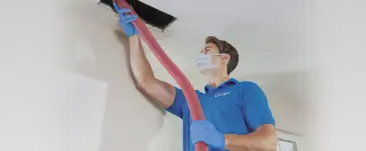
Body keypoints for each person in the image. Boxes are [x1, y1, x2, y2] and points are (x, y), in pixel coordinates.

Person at [112, 2, 278, 151]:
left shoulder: (245, 89)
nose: (201, 55)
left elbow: (268, 143)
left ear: (224, 58)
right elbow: (146, 82)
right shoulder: (191, 100)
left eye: (207, 51)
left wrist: (222, 139)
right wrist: (133, 37)